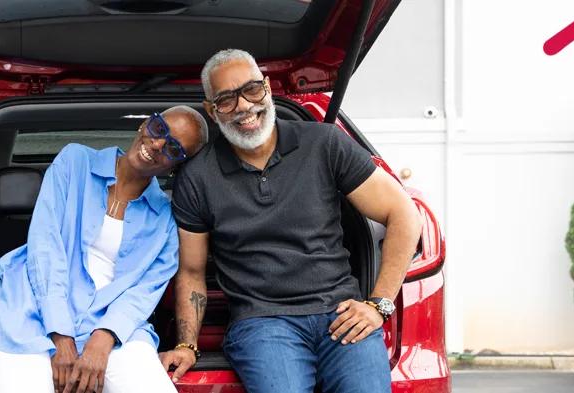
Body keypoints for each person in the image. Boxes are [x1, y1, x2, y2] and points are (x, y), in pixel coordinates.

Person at [159, 49, 422, 392]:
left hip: (341, 312)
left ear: (267, 88)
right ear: (212, 110)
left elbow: (403, 213)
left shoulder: (324, 144)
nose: (243, 106)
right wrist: (187, 344)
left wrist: (379, 304)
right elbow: (192, 271)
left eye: (251, 90)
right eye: (225, 99)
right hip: (263, 324)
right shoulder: (198, 176)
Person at [0, 106, 209, 393]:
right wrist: (61, 337)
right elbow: (46, 248)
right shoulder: (74, 161)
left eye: (173, 148)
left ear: (176, 165)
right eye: (159, 129)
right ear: (145, 125)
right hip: (29, 312)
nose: (158, 144)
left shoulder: (164, 218)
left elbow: (143, 293)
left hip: (110, 325)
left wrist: (103, 339)